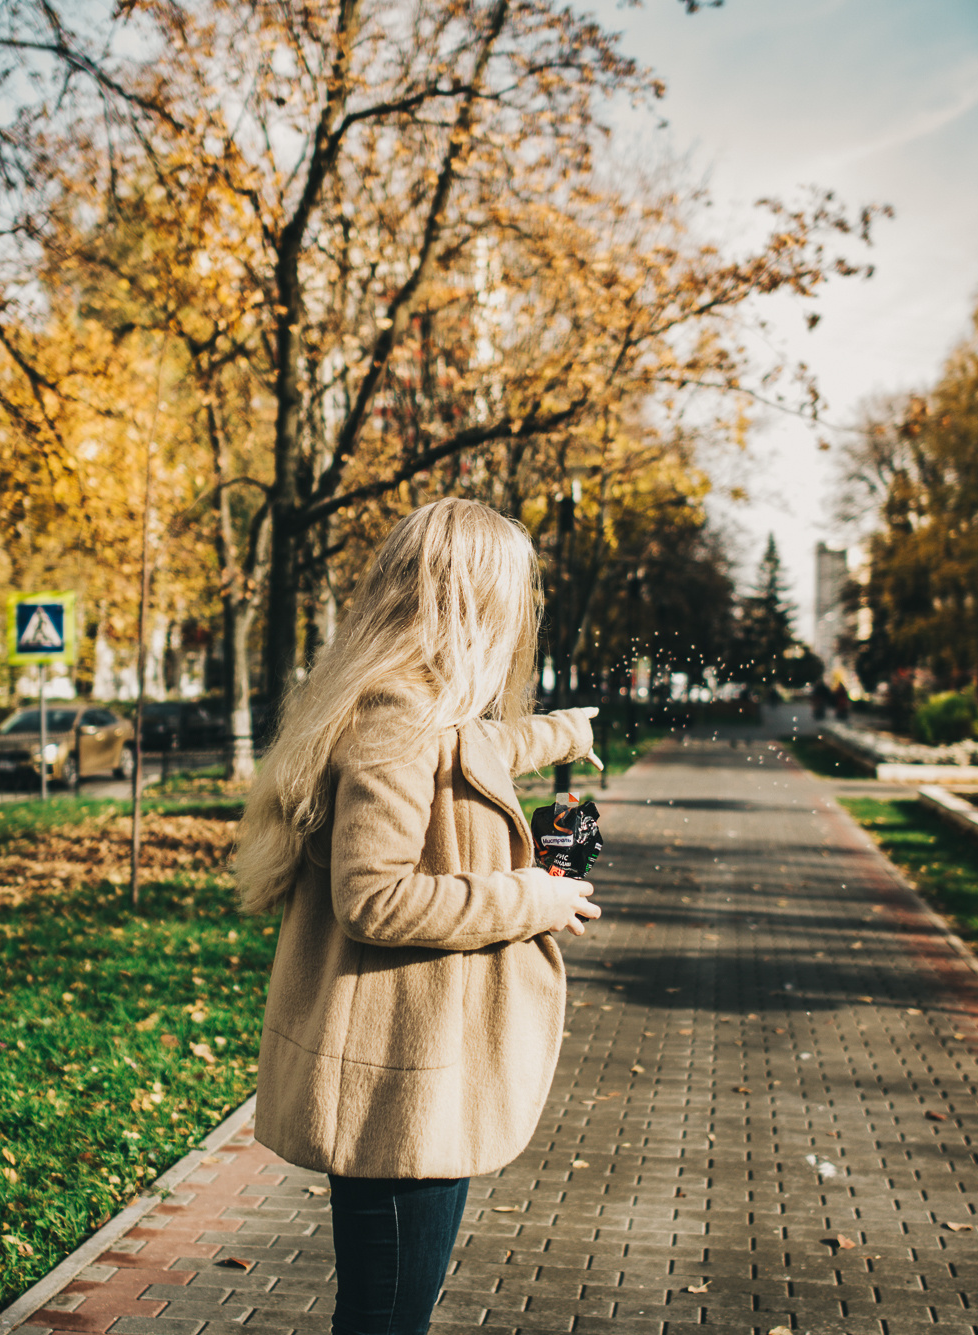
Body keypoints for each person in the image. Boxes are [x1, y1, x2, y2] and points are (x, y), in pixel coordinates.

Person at [236, 498, 603, 1335]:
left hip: (412, 1071)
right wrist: (534, 897)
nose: (520, 619)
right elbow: (375, 897)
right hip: (397, 1087)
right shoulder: (396, 721)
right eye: (512, 597)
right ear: (472, 602)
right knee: (385, 1319)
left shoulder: (414, 708)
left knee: (385, 1311)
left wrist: (559, 733)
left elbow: (472, 751)